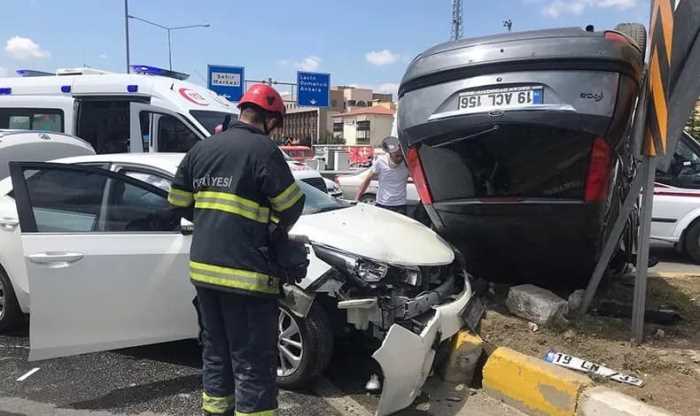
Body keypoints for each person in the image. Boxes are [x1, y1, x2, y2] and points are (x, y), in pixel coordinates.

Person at [167, 83, 305, 416]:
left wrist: (214, 218)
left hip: (204, 272)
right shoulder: (263, 151)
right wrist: (265, 224)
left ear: (242, 111)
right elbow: (291, 206)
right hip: (247, 277)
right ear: (271, 120)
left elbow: (177, 202)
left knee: (216, 354)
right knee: (253, 362)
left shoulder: (202, 149)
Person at [356, 136, 411, 215]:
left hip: (400, 205)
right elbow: (367, 179)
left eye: (401, 156)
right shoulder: (381, 161)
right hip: (382, 204)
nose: (400, 159)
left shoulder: (406, 163)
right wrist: (357, 199)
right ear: (390, 153)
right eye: (397, 156)